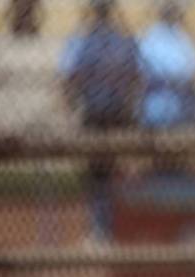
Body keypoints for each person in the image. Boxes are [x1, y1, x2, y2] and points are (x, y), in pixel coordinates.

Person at [58, 0, 140, 244]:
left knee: (96, 173)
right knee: (112, 170)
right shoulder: (123, 40)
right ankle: (113, 226)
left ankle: (100, 229)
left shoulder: (84, 41)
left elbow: (70, 76)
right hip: (117, 113)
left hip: (94, 113)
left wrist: (68, 105)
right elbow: (135, 76)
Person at [137, 2, 195, 129]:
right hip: (156, 100)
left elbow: (192, 66)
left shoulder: (181, 36)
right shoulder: (151, 36)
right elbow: (144, 68)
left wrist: (177, 75)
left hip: (179, 102)